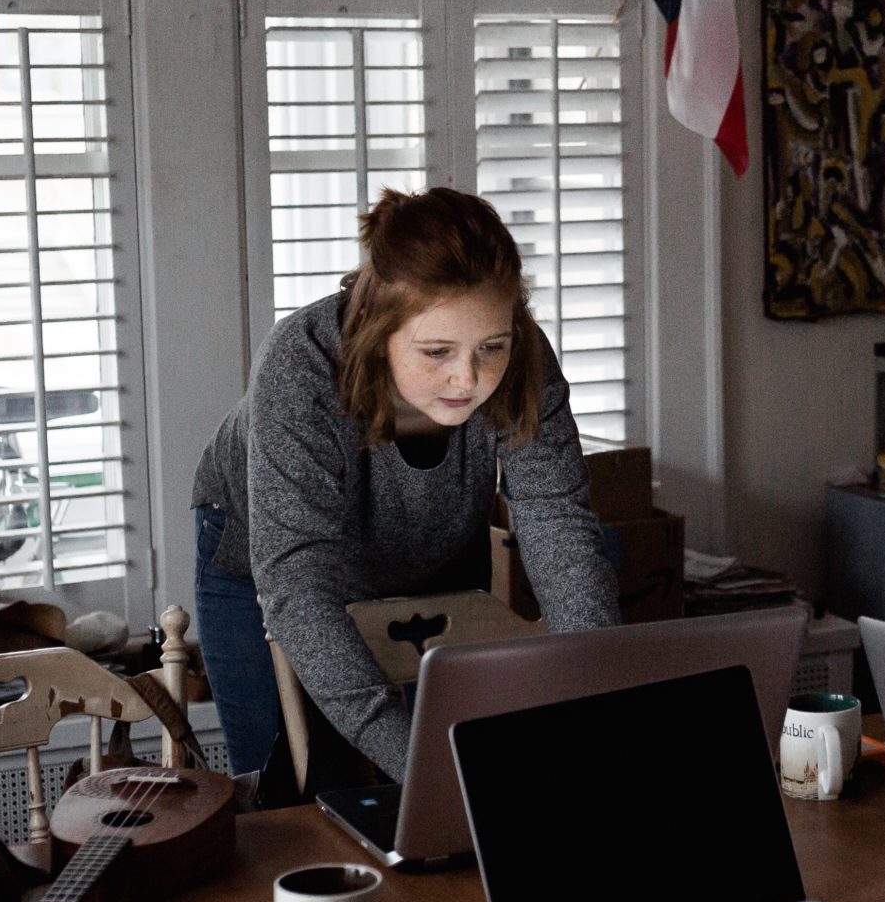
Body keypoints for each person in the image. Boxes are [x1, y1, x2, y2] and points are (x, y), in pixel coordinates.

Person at [189, 187, 620, 783]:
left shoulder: (524, 360)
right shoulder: (300, 364)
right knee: (285, 789)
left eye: (491, 347)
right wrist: (419, 768)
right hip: (267, 563)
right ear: (376, 329)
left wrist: (596, 700)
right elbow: (299, 585)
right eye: (437, 351)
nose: (467, 379)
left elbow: (559, 524)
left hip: (432, 547)